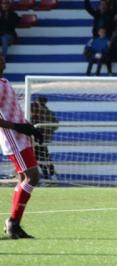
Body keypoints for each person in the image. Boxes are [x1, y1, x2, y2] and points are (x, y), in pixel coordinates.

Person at [0, 53, 44, 239]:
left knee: (24, 178)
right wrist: (18, 127)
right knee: (33, 176)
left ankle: (12, 224)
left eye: (3, 58)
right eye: (0, 59)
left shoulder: (4, 82)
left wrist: (30, 129)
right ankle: (13, 222)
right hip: (13, 138)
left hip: (21, 136)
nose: (4, 61)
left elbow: (13, 111)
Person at [31, 96, 58, 180]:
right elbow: (55, 124)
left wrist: (45, 131)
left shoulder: (44, 112)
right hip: (37, 137)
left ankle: (49, 174)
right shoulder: (33, 109)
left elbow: (55, 124)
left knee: (41, 156)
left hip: (39, 138)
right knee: (41, 156)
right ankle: (49, 174)